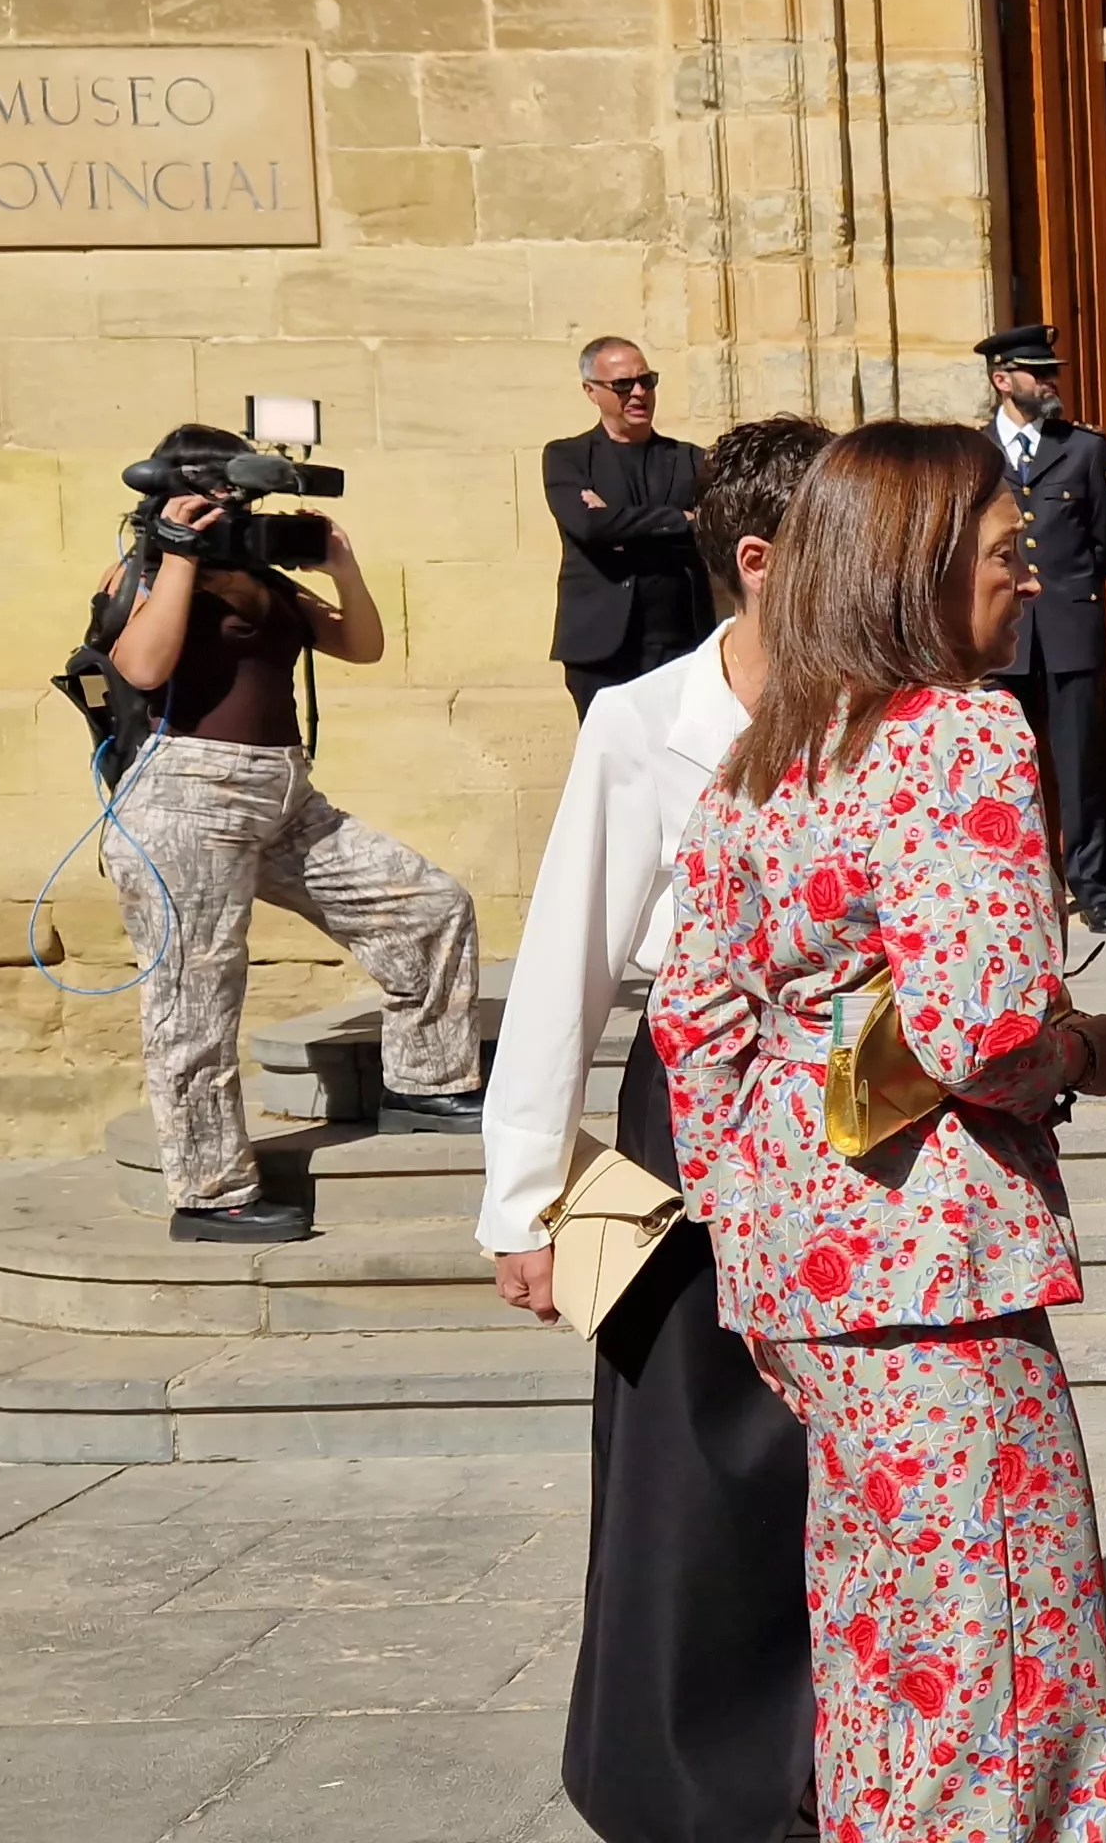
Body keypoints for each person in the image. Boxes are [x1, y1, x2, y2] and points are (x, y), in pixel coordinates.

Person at [650, 421, 1106, 1839]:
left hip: (801, 1275)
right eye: (1006, 553)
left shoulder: (767, 752)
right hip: (937, 1273)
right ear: (918, 567)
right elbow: (978, 1031)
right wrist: (1085, 1049)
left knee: (882, 1661)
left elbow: (693, 1017)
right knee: (1001, 1672)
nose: (1033, 578)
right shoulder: (957, 736)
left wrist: (748, 1222)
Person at [479, 414, 834, 1843]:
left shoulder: (898, 702)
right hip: (686, 1122)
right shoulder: (644, 724)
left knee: (831, 1460)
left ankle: (829, 1761)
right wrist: (523, 1198)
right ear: (757, 564)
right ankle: (685, 1786)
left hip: (847, 1130)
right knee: (696, 1469)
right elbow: (568, 948)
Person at [99, 424, 484, 1244]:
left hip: (283, 796)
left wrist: (341, 566)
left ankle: (424, 1079)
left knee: (427, 905)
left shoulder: (261, 575)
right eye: (222, 497)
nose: (235, 511)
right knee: (194, 1002)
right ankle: (209, 1193)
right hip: (185, 799)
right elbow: (142, 666)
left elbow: (363, 645)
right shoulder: (144, 569)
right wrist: (176, 555)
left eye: (243, 499)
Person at [975, 324, 1106, 933]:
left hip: (1068, 621)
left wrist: (1069, 590)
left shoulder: (1085, 449)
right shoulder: (978, 452)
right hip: (1004, 629)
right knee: (1002, 762)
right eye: (1037, 373)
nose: (1049, 382)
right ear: (1002, 379)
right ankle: (1014, 885)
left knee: (1076, 761)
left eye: (1052, 372)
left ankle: (1090, 885)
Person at [546, 336, 711, 714]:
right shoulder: (567, 457)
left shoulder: (689, 459)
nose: (638, 393)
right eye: (622, 385)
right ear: (591, 391)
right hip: (601, 648)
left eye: (646, 381)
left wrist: (617, 522)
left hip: (678, 641)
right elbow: (589, 527)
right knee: (611, 763)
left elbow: (712, 529)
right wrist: (677, 520)